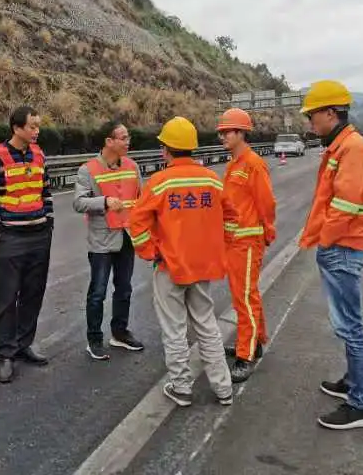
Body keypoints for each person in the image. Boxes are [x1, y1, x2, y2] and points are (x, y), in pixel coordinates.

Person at [129, 116, 237, 407]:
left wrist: (150, 252)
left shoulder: (159, 182)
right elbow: (231, 217)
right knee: (207, 324)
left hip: (170, 267)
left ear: (166, 150)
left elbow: (136, 223)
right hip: (203, 267)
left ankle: (181, 387)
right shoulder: (211, 180)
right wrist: (217, 248)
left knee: (174, 328)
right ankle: (223, 388)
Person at [299, 80, 363, 430]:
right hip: (341, 246)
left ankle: (360, 405)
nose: (310, 122)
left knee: (350, 326)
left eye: (313, 115)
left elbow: (345, 205)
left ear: (331, 113)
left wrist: (327, 241)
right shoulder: (341, 146)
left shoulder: (351, 148)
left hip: (343, 247)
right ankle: (352, 382)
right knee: (348, 323)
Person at [0, 105, 54, 384]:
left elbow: (45, 190)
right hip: (12, 236)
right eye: (32, 126)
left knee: (33, 293)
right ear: (17, 128)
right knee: (7, 297)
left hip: (39, 234)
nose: (37, 131)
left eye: (38, 126)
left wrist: (49, 221)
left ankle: (24, 344)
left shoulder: (38, 153)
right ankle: (5, 354)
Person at [73, 119, 145, 360]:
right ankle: (94, 339)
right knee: (98, 291)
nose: (128, 141)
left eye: (128, 137)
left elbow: (141, 200)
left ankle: (120, 333)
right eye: (123, 138)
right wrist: (103, 202)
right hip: (102, 240)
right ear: (109, 141)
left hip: (127, 237)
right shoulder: (88, 169)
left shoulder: (133, 167)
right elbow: (79, 202)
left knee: (124, 288)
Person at [216, 108, 277, 383]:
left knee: (244, 298)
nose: (222, 136)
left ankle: (246, 354)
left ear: (241, 133)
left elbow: (266, 203)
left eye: (227, 131)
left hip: (248, 241)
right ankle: (255, 341)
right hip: (234, 241)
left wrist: (268, 231)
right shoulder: (234, 164)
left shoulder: (253, 164)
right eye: (221, 132)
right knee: (246, 295)